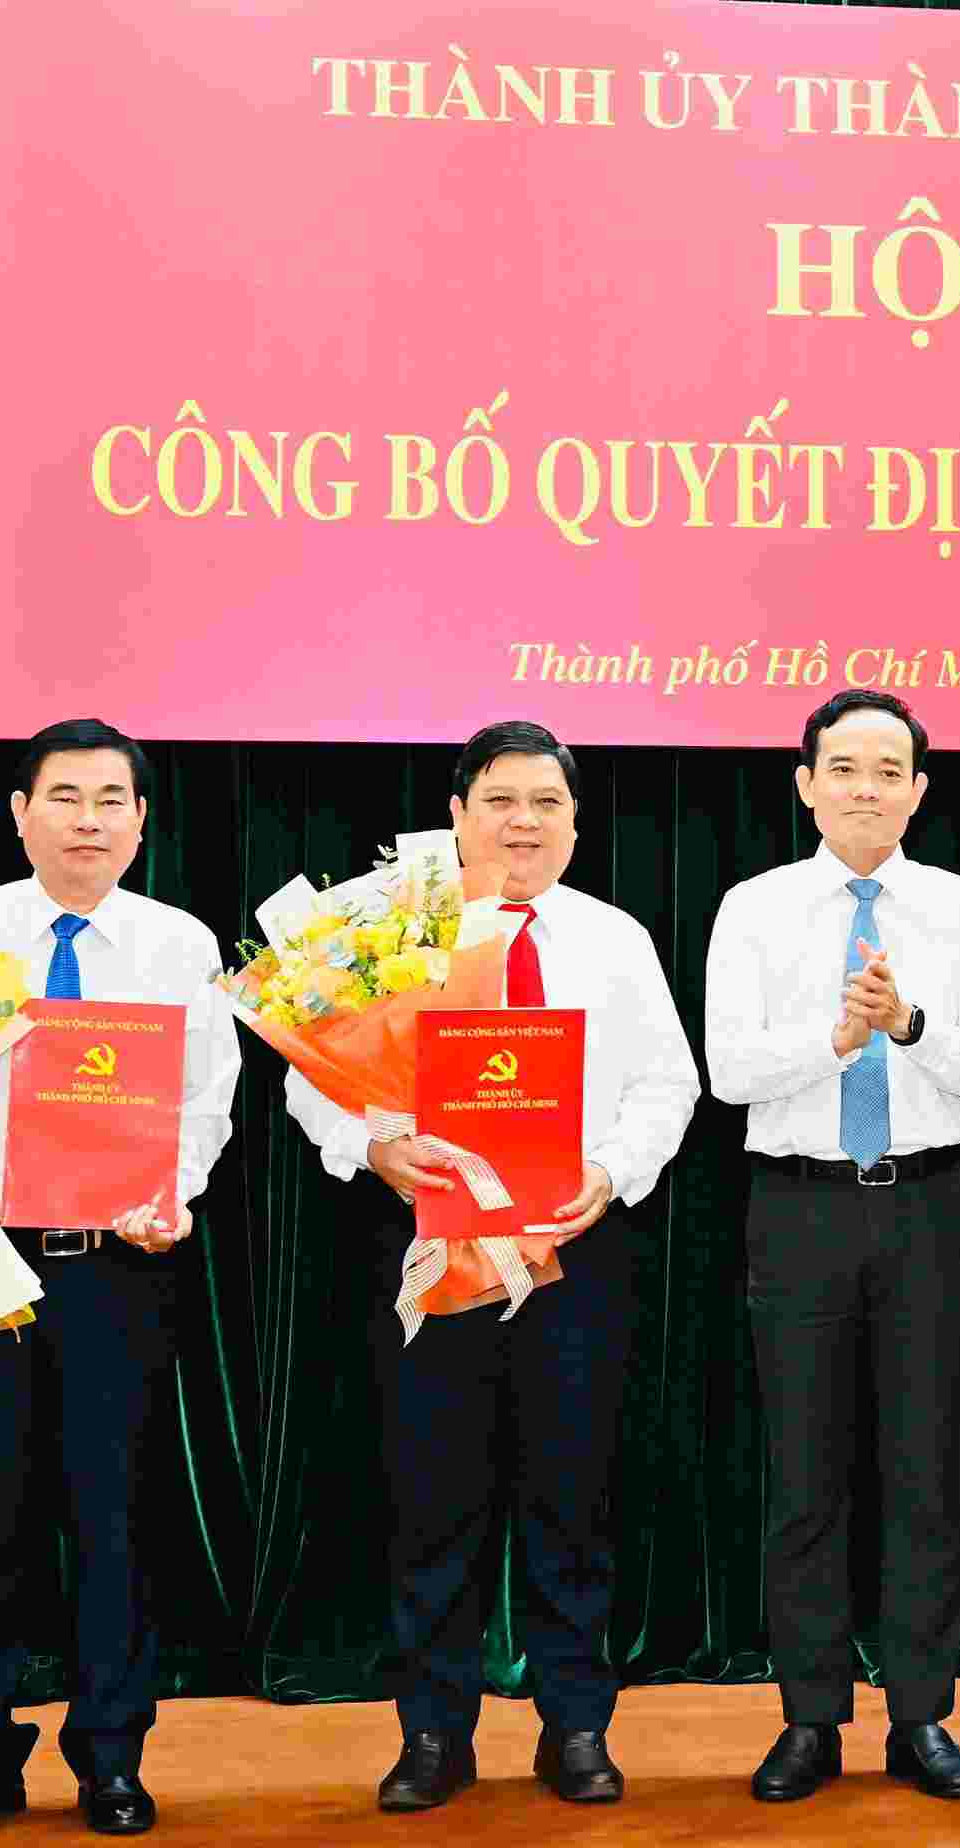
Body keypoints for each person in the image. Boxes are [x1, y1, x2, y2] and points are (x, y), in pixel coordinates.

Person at [284, 721, 700, 1814]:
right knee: (433, 1498)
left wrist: (611, 1174)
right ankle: (433, 1733)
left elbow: (668, 1084)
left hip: (574, 1253)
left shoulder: (613, 938)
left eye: (547, 804)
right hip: (429, 1244)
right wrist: (370, 1146)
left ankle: (576, 1727)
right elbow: (305, 1077)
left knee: (574, 1496)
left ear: (576, 822)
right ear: (457, 812)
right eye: (501, 801)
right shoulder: (387, 930)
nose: (524, 823)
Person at [0, 718, 240, 1841]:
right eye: (65, 797)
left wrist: (171, 1193)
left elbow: (205, 1098)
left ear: (141, 821)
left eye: (110, 801)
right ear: (20, 813)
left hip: (116, 1269)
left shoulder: (179, 943)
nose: (88, 820)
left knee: (113, 1519)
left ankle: (112, 1757)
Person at [704, 690, 960, 1804]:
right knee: (805, 1477)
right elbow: (729, 1071)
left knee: (926, 1474)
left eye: (889, 771)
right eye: (843, 768)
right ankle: (809, 1716)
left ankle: (920, 1715)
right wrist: (836, 1038)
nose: (866, 789)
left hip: (931, 1207)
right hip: (800, 1209)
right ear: (806, 784)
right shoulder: (754, 907)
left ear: (919, 791)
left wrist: (907, 1025)